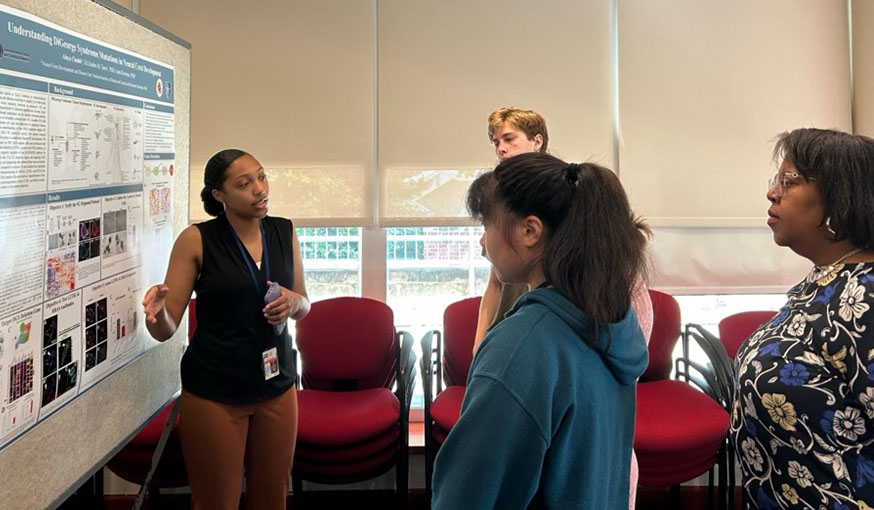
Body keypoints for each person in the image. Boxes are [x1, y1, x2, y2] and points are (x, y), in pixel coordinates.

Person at [432, 152, 650, 508]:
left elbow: (468, 496)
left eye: (487, 226)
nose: (483, 243)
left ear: (529, 231)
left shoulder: (521, 349)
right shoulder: (609, 324)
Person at [142, 149, 310, 510]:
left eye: (262, 177)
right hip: (215, 390)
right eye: (244, 183)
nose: (259, 189)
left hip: (276, 383)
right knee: (217, 501)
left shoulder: (284, 231)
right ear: (219, 195)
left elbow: (304, 304)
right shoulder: (197, 239)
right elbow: (167, 327)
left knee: (273, 497)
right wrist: (156, 316)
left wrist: (293, 302)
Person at [731, 128, 874, 509]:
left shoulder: (867, 296)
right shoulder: (827, 277)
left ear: (840, 198)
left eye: (788, 180)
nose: (772, 192)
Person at [473, 107, 549, 353]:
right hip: (506, 331)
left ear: (536, 141)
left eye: (509, 139)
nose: (500, 148)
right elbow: (495, 284)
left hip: (544, 331)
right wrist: (478, 345)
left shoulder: (557, 195)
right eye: (496, 142)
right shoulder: (500, 198)